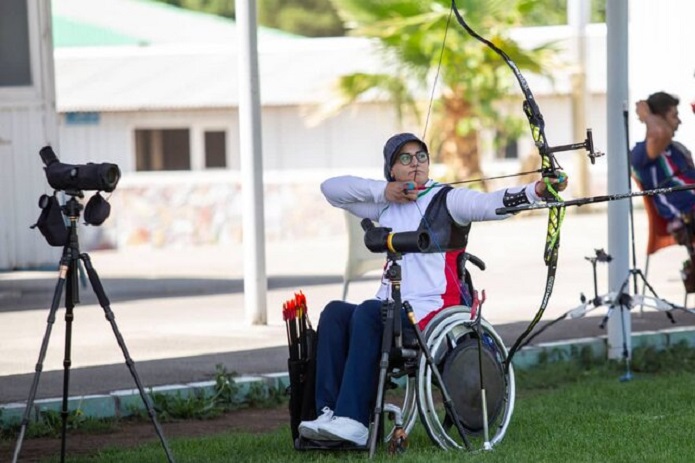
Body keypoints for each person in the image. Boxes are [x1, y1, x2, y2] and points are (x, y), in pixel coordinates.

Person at [297, 132, 568, 446]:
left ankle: (354, 421)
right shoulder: (383, 206)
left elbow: (490, 203)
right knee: (335, 312)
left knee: (370, 313)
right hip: (389, 308)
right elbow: (330, 190)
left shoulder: (447, 200)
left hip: (430, 312)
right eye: (405, 158)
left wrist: (536, 190)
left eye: (421, 156)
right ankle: (328, 415)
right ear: (392, 170)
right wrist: (384, 192)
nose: (416, 164)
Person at [630, 91, 695, 244]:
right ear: (658, 118)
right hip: (687, 216)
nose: (679, 121)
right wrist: (646, 116)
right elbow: (659, 133)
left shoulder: (675, 148)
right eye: (674, 116)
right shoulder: (642, 153)